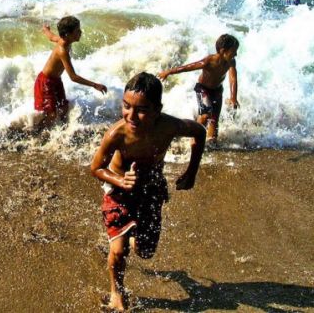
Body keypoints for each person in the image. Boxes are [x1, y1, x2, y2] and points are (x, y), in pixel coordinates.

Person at [91, 72, 205, 311]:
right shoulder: (117, 134)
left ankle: (133, 238)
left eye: (141, 109)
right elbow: (96, 167)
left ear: (157, 109)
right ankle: (116, 293)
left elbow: (200, 132)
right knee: (119, 251)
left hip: (151, 188)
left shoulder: (170, 126)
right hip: (118, 192)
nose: (131, 115)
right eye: (126, 106)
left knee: (145, 252)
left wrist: (192, 171)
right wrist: (120, 181)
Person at [158, 34, 239, 145]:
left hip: (217, 91)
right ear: (223, 51)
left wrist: (233, 98)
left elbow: (233, 78)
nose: (236, 54)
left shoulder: (231, 61)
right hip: (203, 89)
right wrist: (169, 72)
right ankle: (194, 140)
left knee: (214, 120)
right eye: (233, 51)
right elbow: (188, 67)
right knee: (205, 115)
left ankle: (211, 143)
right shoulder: (209, 61)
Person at [35, 16, 107, 128]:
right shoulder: (62, 51)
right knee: (51, 113)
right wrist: (94, 85)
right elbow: (73, 77)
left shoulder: (63, 40)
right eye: (77, 31)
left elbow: (51, 37)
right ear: (68, 34)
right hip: (46, 82)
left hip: (56, 80)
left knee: (63, 108)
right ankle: (39, 132)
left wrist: (46, 30)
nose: (80, 32)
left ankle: (62, 130)